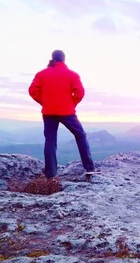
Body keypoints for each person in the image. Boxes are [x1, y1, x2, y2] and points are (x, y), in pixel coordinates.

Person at [28, 49, 100, 178]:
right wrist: (71, 104)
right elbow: (79, 92)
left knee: (50, 140)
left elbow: (33, 90)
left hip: (48, 112)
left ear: (52, 58)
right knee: (80, 135)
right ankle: (89, 167)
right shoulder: (72, 75)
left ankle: (50, 175)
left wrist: (44, 102)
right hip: (67, 112)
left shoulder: (41, 74)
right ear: (64, 59)